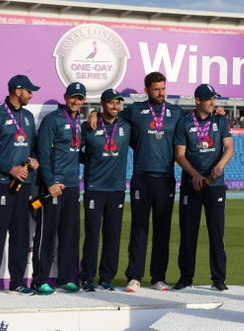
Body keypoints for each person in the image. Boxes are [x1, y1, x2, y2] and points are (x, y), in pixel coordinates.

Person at [88, 71, 184, 292]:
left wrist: (217, 112)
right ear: (147, 90)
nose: (161, 93)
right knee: (139, 229)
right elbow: (110, 114)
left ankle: (158, 277)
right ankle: (134, 276)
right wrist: (94, 112)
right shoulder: (135, 110)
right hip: (142, 177)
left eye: (163, 89)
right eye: (156, 89)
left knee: (163, 230)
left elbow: (196, 120)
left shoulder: (176, 112)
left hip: (166, 178)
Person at [172, 84, 233, 291]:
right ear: (197, 100)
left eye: (214, 98)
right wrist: (194, 174)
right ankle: (185, 278)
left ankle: (218, 279)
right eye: (208, 98)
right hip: (192, 184)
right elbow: (179, 154)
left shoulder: (221, 119)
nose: (212, 102)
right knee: (188, 233)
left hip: (215, 185)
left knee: (217, 233)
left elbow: (229, 147)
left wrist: (220, 165)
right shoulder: (185, 122)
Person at [0, 75, 40, 297]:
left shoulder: (27, 117)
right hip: (2, 184)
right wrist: (11, 169)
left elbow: (32, 147)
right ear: (17, 91)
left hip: (24, 186)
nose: (31, 94)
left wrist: (33, 160)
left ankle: (18, 282)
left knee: (21, 235)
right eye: (29, 91)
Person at [33, 82, 87, 295]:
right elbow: (43, 153)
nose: (76, 101)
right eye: (73, 97)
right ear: (65, 97)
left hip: (73, 186)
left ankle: (65, 278)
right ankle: (40, 279)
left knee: (69, 235)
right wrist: (50, 183)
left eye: (80, 98)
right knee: (46, 234)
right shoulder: (52, 120)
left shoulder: (78, 122)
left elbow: (75, 152)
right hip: (53, 187)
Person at [79, 89, 131, 292]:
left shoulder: (126, 125)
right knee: (92, 235)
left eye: (118, 103)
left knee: (113, 236)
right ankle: (88, 278)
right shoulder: (89, 125)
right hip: (95, 188)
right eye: (111, 103)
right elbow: (74, 150)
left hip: (117, 189)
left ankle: (106, 278)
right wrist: (90, 161)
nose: (115, 106)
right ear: (102, 104)